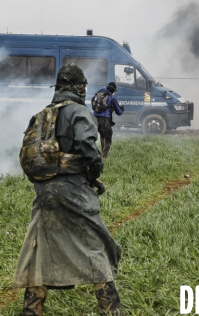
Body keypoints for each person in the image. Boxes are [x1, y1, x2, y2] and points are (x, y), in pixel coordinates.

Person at [14, 64, 123, 316]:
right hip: (73, 190)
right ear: (79, 88)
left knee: (40, 247)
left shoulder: (42, 114)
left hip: (43, 192)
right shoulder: (79, 112)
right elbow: (88, 147)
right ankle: (110, 309)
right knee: (95, 243)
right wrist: (95, 171)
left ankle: (32, 310)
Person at [93, 82, 124, 158]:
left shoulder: (99, 93)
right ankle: (104, 156)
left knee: (102, 135)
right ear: (113, 90)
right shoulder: (112, 97)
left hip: (95, 118)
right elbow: (119, 112)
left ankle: (102, 153)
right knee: (108, 138)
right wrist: (122, 108)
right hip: (105, 119)